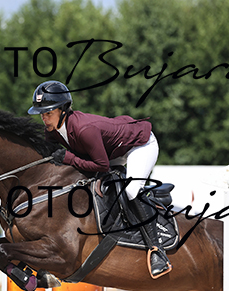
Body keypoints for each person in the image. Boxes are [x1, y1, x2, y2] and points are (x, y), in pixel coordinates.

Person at [28, 80, 172, 278]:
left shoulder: (84, 129)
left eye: (48, 113)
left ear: (63, 110)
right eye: (42, 114)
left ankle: (157, 250)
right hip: (111, 151)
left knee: (130, 191)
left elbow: (102, 165)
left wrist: (69, 158)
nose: (44, 118)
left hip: (139, 145)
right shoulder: (52, 131)